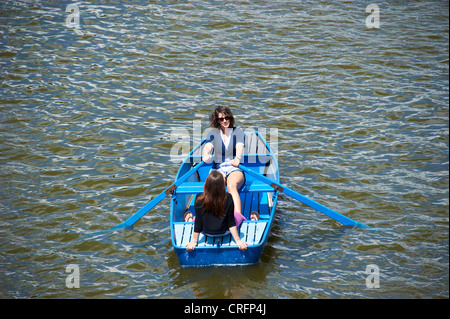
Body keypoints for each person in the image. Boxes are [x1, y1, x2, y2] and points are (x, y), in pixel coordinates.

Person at [201, 106, 247, 221]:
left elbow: (239, 146)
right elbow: (208, 146)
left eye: (227, 118)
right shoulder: (213, 133)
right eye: (221, 119)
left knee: (232, 186)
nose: (225, 121)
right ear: (217, 121)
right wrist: (205, 155)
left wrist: (237, 158)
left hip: (234, 167)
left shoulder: (238, 131)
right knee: (214, 187)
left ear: (230, 118)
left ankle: (237, 217)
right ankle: (211, 217)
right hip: (218, 167)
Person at [186, 171, 248, 251]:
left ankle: (190, 219)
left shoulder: (199, 198)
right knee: (237, 215)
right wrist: (238, 241)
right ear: (222, 186)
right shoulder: (228, 198)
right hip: (225, 232)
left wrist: (194, 241)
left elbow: (198, 222)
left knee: (196, 218)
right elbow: (231, 222)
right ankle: (254, 218)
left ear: (207, 185)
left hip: (206, 232)